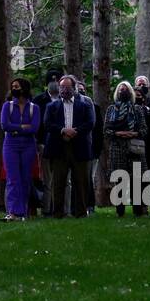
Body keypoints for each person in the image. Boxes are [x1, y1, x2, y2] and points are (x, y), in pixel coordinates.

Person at [41, 74, 95, 217]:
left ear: (74, 88)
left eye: (67, 87)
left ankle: (81, 213)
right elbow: (47, 124)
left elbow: (90, 123)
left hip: (80, 147)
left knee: (81, 183)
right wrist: (62, 130)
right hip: (59, 148)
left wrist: (75, 131)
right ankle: (58, 213)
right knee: (58, 182)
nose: (64, 90)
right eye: (62, 87)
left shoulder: (84, 105)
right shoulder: (51, 106)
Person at [103, 81, 148, 217]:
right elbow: (106, 130)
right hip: (117, 148)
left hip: (135, 148)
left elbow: (144, 129)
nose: (123, 92)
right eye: (121, 90)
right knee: (120, 181)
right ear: (117, 92)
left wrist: (134, 134)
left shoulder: (137, 109)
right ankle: (120, 211)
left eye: (126, 89)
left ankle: (138, 210)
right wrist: (118, 133)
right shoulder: (111, 110)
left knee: (137, 181)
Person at [0, 78, 40, 220]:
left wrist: (16, 129)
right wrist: (23, 127)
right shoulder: (7, 106)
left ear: (24, 88)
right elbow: (5, 125)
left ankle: (22, 211)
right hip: (10, 146)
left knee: (25, 178)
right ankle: (13, 212)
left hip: (28, 146)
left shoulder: (34, 108)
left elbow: (34, 128)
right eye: (12, 87)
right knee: (12, 178)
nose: (14, 89)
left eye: (16, 86)